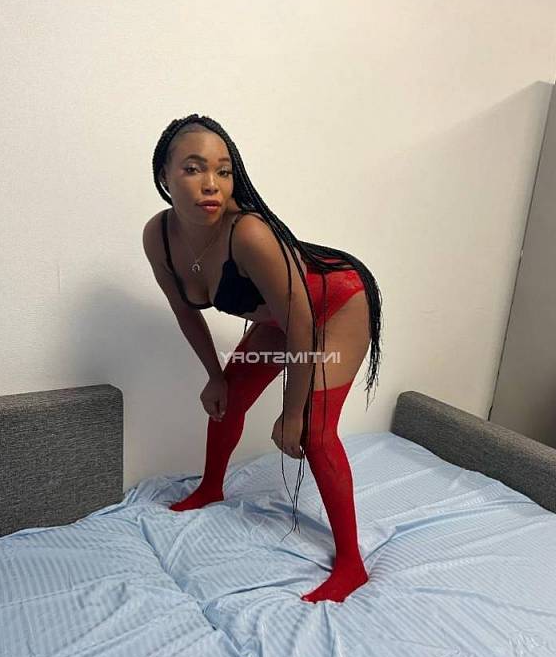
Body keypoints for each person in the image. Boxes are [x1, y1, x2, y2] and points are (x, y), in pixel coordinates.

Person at [144, 114, 384, 603]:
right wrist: (215, 376)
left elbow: (302, 324)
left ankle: (352, 565)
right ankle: (211, 488)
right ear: (164, 174)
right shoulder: (159, 236)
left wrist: (293, 413)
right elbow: (185, 311)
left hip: (333, 305)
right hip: (284, 315)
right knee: (227, 401)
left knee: (314, 432)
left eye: (224, 170)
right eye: (193, 168)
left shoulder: (248, 233)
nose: (211, 184)